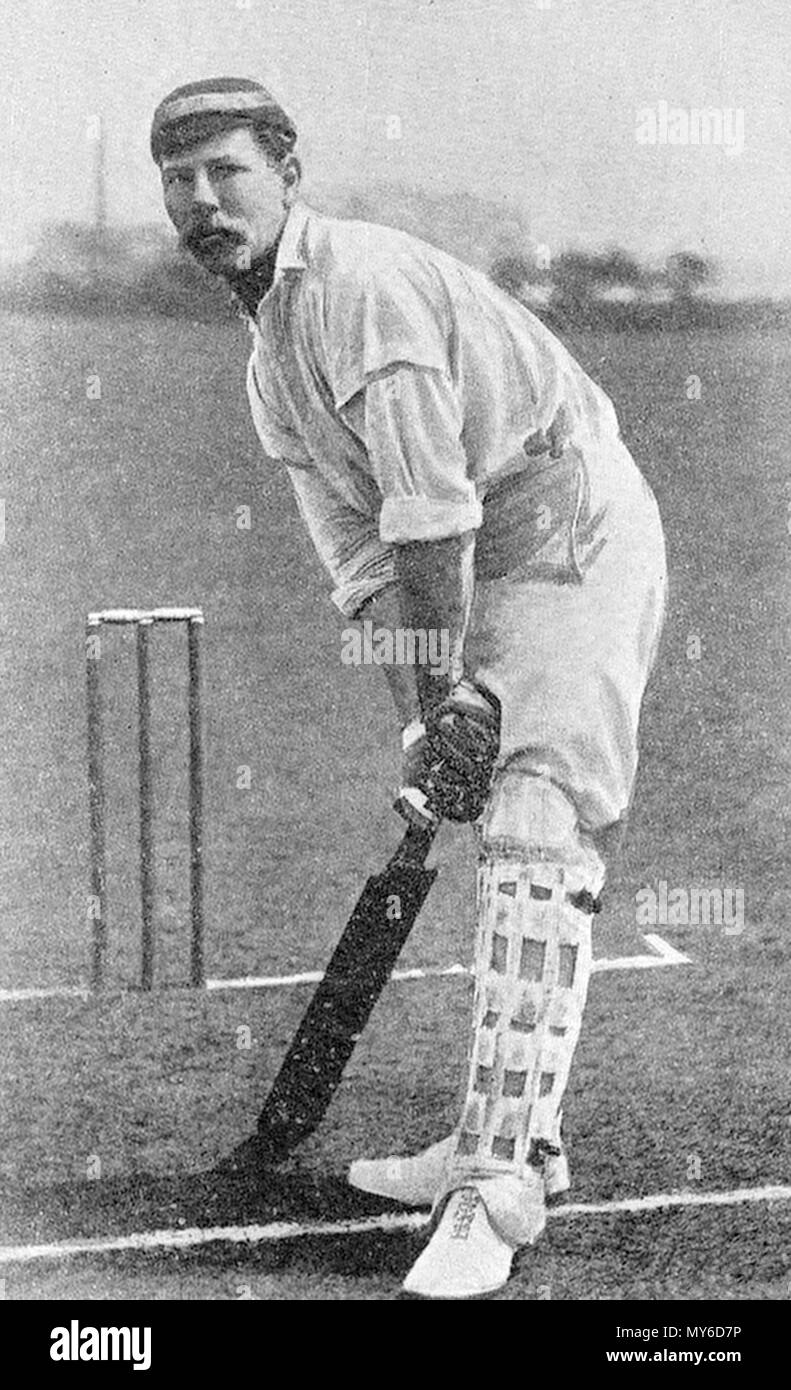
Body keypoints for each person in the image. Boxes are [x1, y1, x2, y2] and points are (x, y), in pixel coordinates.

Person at [152, 76, 667, 1298]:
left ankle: (493, 1193)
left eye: (228, 171)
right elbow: (365, 565)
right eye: (180, 180)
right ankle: (514, 1137)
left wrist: (452, 703)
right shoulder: (270, 361)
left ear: (287, 171)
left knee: (540, 825)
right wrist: (424, 721)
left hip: (570, 528)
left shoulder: (358, 288)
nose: (203, 200)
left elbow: (431, 522)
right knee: (488, 804)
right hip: (481, 547)